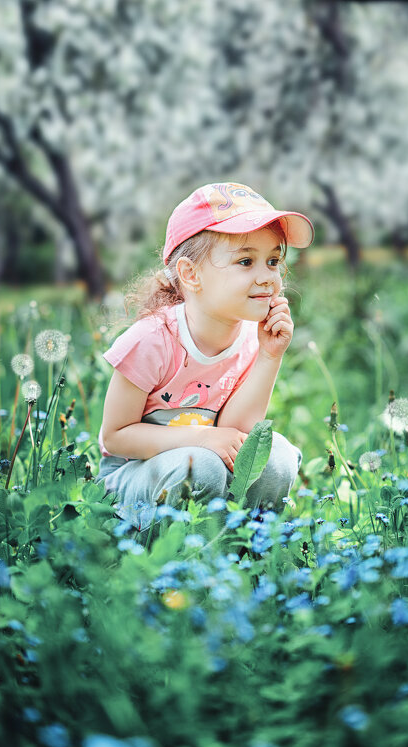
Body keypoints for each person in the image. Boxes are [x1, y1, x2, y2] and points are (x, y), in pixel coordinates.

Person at [97, 181, 314, 535]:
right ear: (191, 274)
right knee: (203, 467)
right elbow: (117, 436)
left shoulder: (250, 338)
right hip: (131, 481)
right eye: (246, 261)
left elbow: (238, 435)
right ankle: (168, 560)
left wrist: (269, 356)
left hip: (205, 464)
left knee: (277, 456)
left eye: (273, 260)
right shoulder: (154, 340)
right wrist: (200, 438)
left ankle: (248, 552)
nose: (268, 277)